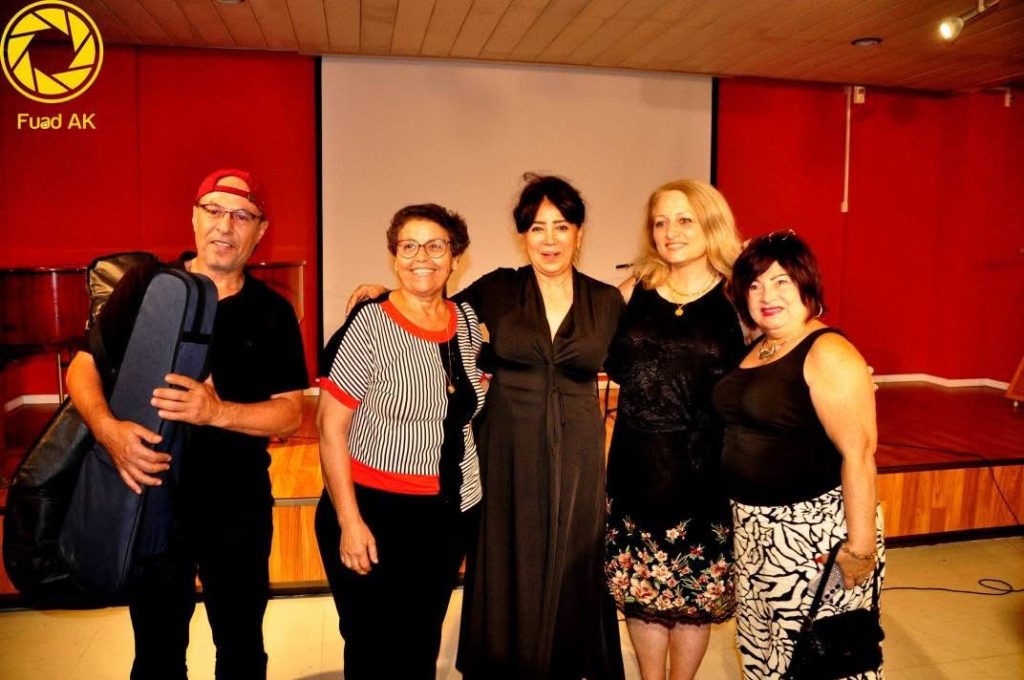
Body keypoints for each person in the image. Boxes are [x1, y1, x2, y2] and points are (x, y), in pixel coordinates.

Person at [346, 174, 626, 678]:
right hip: (505, 448)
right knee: (507, 559)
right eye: (537, 228)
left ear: (579, 233)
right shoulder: (497, 288)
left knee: (571, 562)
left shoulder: (606, 301)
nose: (549, 239)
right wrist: (384, 292)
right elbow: (433, 305)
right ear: (522, 236)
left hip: (580, 454)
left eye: (561, 226)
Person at [66, 168, 308, 679]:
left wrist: (216, 411)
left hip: (236, 504)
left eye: (242, 215)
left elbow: (291, 411)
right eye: (214, 211)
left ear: (260, 231)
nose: (225, 225)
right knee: (157, 651)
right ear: (194, 218)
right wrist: (109, 431)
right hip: (152, 499)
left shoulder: (273, 311)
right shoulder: (146, 287)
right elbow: (83, 368)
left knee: (241, 646)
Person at [315, 204, 485, 679]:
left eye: (435, 246)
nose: (421, 257)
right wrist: (350, 521)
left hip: (448, 514)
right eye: (408, 246)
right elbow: (330, 428)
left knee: (420, 643)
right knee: (373, 646)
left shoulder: (468, 322)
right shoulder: (370, 324)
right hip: (373, 512)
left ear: (455, 257)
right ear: (394, 256)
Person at [711, 231, 884, 679]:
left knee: (822, 659)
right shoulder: (759, 345)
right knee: (765, 651)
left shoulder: (828, 351)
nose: (767, 295)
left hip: (814, 538)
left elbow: (860, 455)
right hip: (756, 533)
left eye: (781, 281)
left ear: (807, 284)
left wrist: (860, 548)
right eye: (755, 285)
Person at [604, 180, 745, 680]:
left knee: (692, 600)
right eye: (660, 222)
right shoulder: (631, 292)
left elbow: (782, 353)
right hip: (635, 468)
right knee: (641, 594)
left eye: (685, 220)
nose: (670, 231)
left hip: (704, 473)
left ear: (711, 223)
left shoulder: (738, 298)